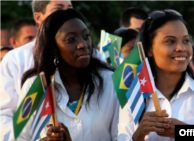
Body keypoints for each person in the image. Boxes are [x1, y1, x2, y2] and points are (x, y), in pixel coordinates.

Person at [118, 9, 194, 141]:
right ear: (149, 49)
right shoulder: (133, 96)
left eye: (186, 41)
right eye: (170, 41)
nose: (181, 48)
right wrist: (139, 134)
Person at [10, 9, 119, 141]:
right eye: (71, 39)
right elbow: (18, 138)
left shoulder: (109, 80)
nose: (83, 44)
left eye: (86, 36)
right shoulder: (35, 86)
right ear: (53, 48)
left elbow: (123, 135)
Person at [0, 0, 73, 139]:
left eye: (70, 8)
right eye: (58, 8)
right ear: (38, 17)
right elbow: (5, 113)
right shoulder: (15, 59)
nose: (66, 14)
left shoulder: (89, 55)